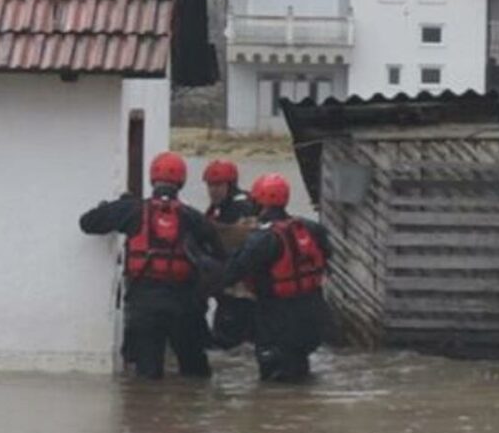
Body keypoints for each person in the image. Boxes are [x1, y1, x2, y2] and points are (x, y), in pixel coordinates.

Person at [80, 152, 225, 379]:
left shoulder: (132, 209)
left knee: (147, 378)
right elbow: (219, 255)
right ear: (182, 182)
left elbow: (87, 223)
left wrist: (112, 206)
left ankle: (149, 412)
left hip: (144, 303)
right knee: (196, 375)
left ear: (152, 179)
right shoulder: (193, 217)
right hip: (183, 304)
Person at [223, 173, 332, 383]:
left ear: (260, 202)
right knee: (301, 373)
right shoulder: (311, 229)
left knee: (275, 383)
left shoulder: (263, 238)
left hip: (277, 321)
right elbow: (326, 256)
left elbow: (232, 272)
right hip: (312, 318)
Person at [202, 159, 259, 349]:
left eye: (218, 185)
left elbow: (237, 240)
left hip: (242, 293)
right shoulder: (219, 208)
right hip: (230, 291)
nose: (213, 190)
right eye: (210, 185)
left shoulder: (242, 207)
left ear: (230, 185)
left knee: (228, 343)